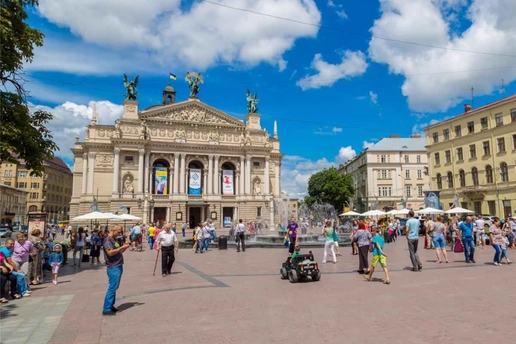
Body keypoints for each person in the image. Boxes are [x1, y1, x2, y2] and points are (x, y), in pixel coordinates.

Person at [102, 225, 130, 316]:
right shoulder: (107, 240)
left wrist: (125, 246)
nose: (120, 234)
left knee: (115, 287)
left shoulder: (114, 239)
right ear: (113, 230)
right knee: (112, 287)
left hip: (118, 265)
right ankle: (106, 308)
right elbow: (110, 253)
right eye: (118, 232)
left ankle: (110, 305)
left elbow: (119, 251)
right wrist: (121, 248)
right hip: (113, 266)